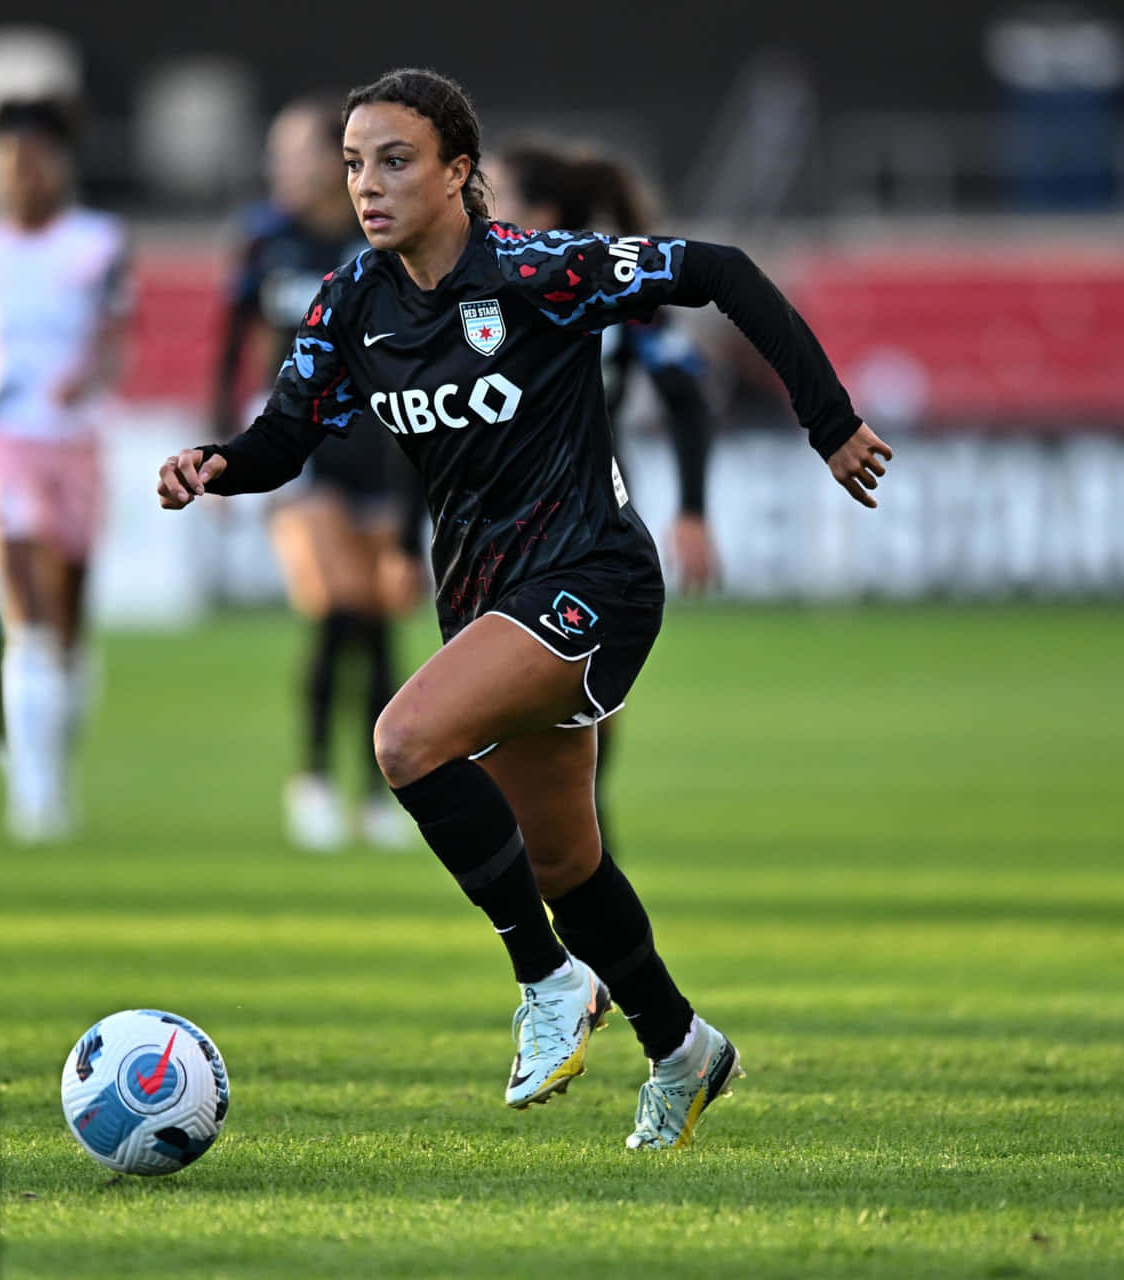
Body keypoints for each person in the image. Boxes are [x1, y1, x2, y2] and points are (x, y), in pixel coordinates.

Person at [158, 68, 891, 1150]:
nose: (367, 183)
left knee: (403, 739)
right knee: (566, 865)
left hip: (593, 579)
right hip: (485, 599)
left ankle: (547, 980)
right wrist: (217, 464)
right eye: (354, 162)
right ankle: (684, 1044)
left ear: (461, 172)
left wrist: (828, 421)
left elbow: (722, 271)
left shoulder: (542, 273)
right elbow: (285, 433)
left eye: (396, 160)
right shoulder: (353, 299)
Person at [483, 137, 720, 843]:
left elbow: (685, 393)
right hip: (497, 519)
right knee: (508, 701)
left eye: (494, 192)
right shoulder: (474, 281)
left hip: (588, 514)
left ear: (541, 210)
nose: (475, 207)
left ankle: (574, 845)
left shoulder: (609, 286)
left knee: (574, 696)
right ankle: (566, 846)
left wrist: (694, 511)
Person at [213, 97, 422, 851]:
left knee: (379, 623)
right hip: (305, 460)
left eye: (298, 153)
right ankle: (311, 781)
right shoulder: (267, 240)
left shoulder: (383, 244)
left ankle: (376, 792)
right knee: (338, 608)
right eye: (280, 154)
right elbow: (231, 347)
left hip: (387, 451)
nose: (286, 169)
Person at [0, 96, 129, 843]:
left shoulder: (97, 242)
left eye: (34, 158)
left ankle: (52, 758)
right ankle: (36, 797)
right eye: (8, 160)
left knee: (71, 618)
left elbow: (116, 334)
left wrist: (88, 382)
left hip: (75, 442)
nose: (21, 174)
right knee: (27, 613)